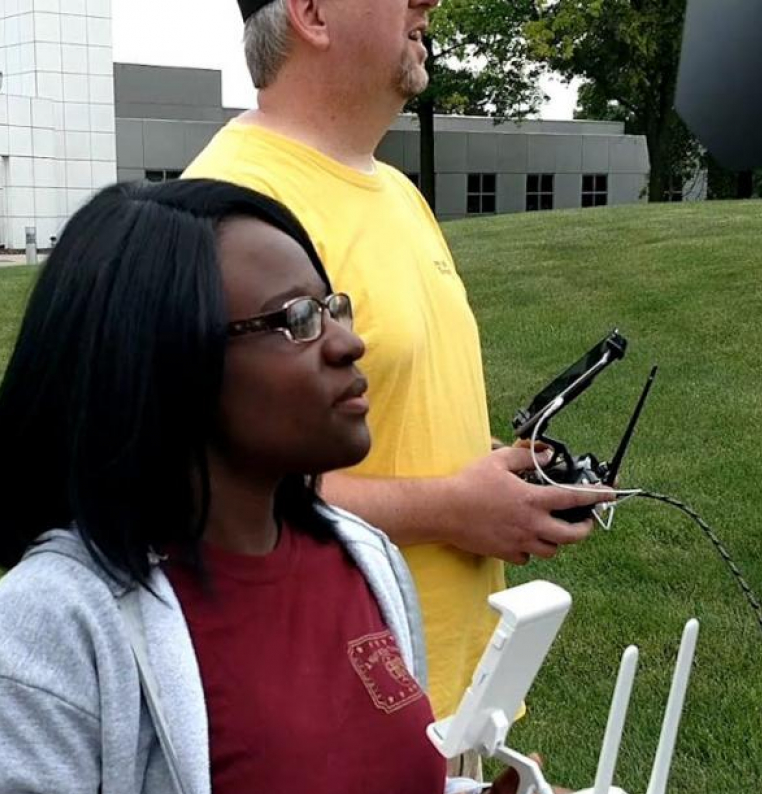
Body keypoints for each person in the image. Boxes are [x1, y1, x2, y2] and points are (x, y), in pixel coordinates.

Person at [0, 178, 507, 794]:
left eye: (333, 306)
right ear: (163, 359)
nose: (349, 342)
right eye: (297, 318)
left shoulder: (362, 557)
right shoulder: (41, 641)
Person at [185, 0, 614, 726]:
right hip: (334, 724)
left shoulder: (397, 193)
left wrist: (505, 480)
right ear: (313, 13)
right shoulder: (231, 209)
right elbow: (205, 492)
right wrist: (454, 507)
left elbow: (393, 415)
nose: (429, 3)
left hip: (458, 705)